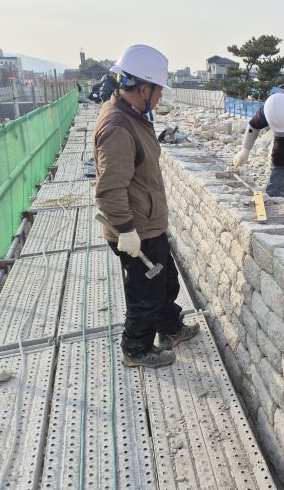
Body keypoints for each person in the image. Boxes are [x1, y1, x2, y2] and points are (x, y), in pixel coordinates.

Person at [93, 44, 199, 368]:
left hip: (148, 223)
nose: (161, 98)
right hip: (134, 230)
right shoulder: (118, 127)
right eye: (158, 91)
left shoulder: (133, 115)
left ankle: (170, 329)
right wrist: (126, 231)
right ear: (143, 88)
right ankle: (136, 349)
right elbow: (109, 189)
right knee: (145, 295)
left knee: (164, 283)